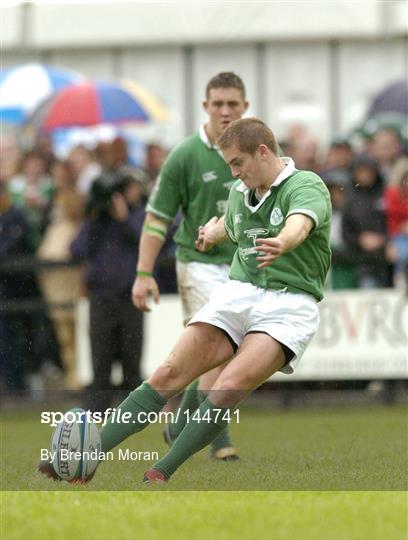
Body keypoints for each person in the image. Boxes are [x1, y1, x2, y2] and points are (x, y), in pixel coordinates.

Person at [38, 118, 332, 484]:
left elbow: (300, 223)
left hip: (290, 304)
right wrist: (212, 232)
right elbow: (232, 222)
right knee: (167, 374)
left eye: (238, 163)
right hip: (240, 291)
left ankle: (160, 472)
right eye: (229, 166)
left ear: (263, 151)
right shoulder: (243, 192)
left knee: (228, 386)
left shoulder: (306, 185)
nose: (234, 173)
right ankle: (89, 456)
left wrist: (284, 242)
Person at [131, 72, 249, 461]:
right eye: (218, 103)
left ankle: (182, 423)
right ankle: (215, 439)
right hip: (197, 263)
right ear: (205, 107)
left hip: (240, 266)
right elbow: (157, 217)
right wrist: (144, 273)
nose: (226, 111)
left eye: (233, 103)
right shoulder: (185, 155)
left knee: (225, 352)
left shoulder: (255, 149)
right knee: (220, 347)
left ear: (245, 107)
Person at [70, 168, 146, 412]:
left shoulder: (138, 216)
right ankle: (95, 412)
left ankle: (132, 413)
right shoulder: (96, 223)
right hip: (101, 298)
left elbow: (146, 241)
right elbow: (76, 250)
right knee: (99, 361)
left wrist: (123, 219)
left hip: (129, 298)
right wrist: (94, 217)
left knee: (131, 360)